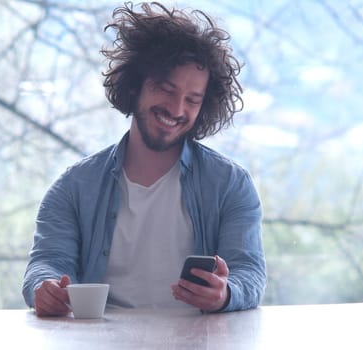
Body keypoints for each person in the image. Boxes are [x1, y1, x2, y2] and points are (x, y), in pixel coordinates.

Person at [22, 1, 265, 317]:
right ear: (136, 86)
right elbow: (47, 261)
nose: (177, 109)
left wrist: (226, 293)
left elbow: (249, 271)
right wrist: (45, 286)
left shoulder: (231, 185)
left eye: (192, 100)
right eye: (166, 89)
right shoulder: (73, 187)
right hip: (100, 340)